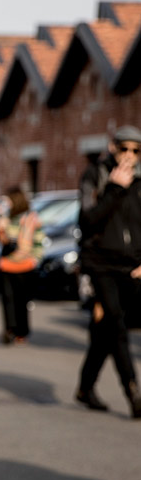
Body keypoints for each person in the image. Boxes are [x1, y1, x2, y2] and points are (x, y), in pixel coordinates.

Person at [75, 125, 141, 417]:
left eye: (136, 151)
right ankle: (133, 392)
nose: (129, 155)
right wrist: (114, 189)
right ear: (113, 148)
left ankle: (85, 387)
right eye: (124, 148)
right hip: (99, 262)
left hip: (130, 266)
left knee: (107, 329)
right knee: (115, 322)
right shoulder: (95, 175)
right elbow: (88, 219)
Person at [0, 186, 43, 344]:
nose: (7, 203)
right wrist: (1, 224)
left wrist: (36, 258)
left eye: (8, 200)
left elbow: (39, 240)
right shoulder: (6, 218)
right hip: (7, 264)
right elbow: (4, 241)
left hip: (25, 264)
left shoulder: (31, 217)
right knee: (8, 300)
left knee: (22, 300)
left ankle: (21, 332)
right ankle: (9, 330)